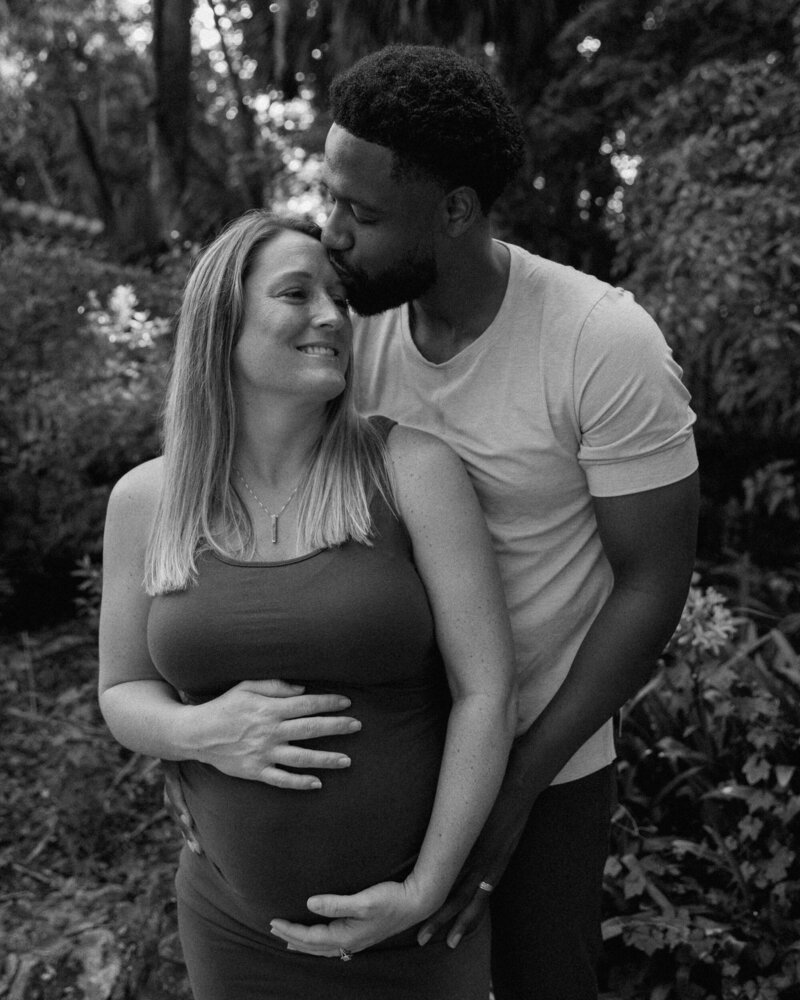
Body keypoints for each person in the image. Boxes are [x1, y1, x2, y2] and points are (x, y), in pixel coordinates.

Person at [257, 45, 700, 999]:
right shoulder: (344, 327)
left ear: (456, 210)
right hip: (388, 744)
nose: (332, 233)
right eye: (330, 198)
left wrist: (518, 783)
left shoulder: (600, 343)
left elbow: (653, 584)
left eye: (364, 213)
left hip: (546, 759)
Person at [98, 210, 517, 1000]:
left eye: (340, 299)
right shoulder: (147, 500)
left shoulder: (412, 469)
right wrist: (202, 731)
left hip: (413, 933)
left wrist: (426, 888)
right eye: (297, 294)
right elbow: (122, 691)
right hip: (231, 930)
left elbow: (486, 693)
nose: (331, 315)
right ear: (222, 321)